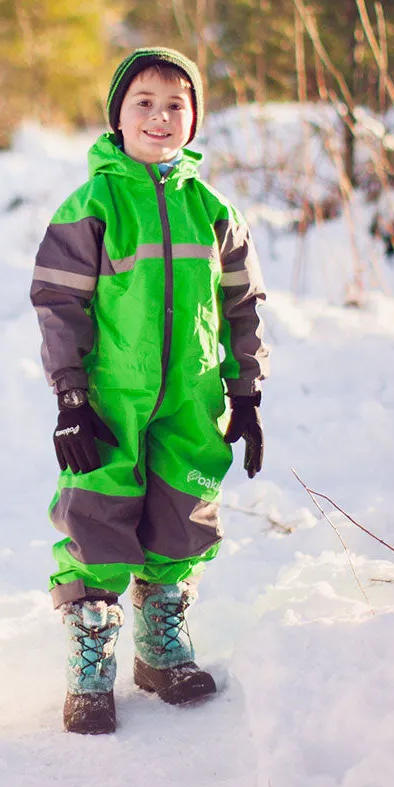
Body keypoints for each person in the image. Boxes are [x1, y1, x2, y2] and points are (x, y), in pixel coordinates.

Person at [30, 46, 268, 734]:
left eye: (175, 104)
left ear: (193, 120)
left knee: (182, 513)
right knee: (96, 514)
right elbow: (58, 302)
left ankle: (161, 647)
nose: (160, 117)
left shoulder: (212, 209)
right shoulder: (95, 203)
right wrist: (71, 394)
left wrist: (246, 391)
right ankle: (91, 657)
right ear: (118, 116)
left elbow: (244, 303)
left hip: (190, 396)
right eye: (144, 103)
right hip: (109, 396)